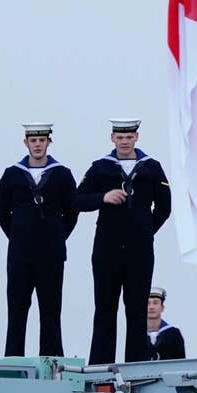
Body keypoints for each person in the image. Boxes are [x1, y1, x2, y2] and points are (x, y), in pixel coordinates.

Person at [75, 119, 172, 364]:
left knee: (137, 311)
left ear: (136, 137)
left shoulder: (151, 167)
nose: (125, 142)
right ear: (112, 139)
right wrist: (103, 197)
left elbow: (164, 207)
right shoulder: (100, 167)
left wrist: (145, 231)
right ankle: (100, 366)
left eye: (129, 137)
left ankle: (136, 367)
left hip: (139, 250)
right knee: (105, 310)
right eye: (120, 138)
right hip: (107, 248)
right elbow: (77, 200)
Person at [0, 123, 79, 357]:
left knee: (51, 312)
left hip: (51, 254)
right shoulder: (12, 174)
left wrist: (56, 236)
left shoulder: (62, 173)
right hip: (20, 254)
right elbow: (2, 212)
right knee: (16, 312)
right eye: (33, 141)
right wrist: (17, 235)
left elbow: (72, 211)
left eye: (41, 141)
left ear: (48, 143)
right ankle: (13, 362)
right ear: (26, 143)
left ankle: (52, 362)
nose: (37, 145)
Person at [145, 287, 186, 361]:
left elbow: (181, 363)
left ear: (162, 308)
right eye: (148, 304)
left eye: (155, 303)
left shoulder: (174, 334)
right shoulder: (137, 335)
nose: (151, 307)